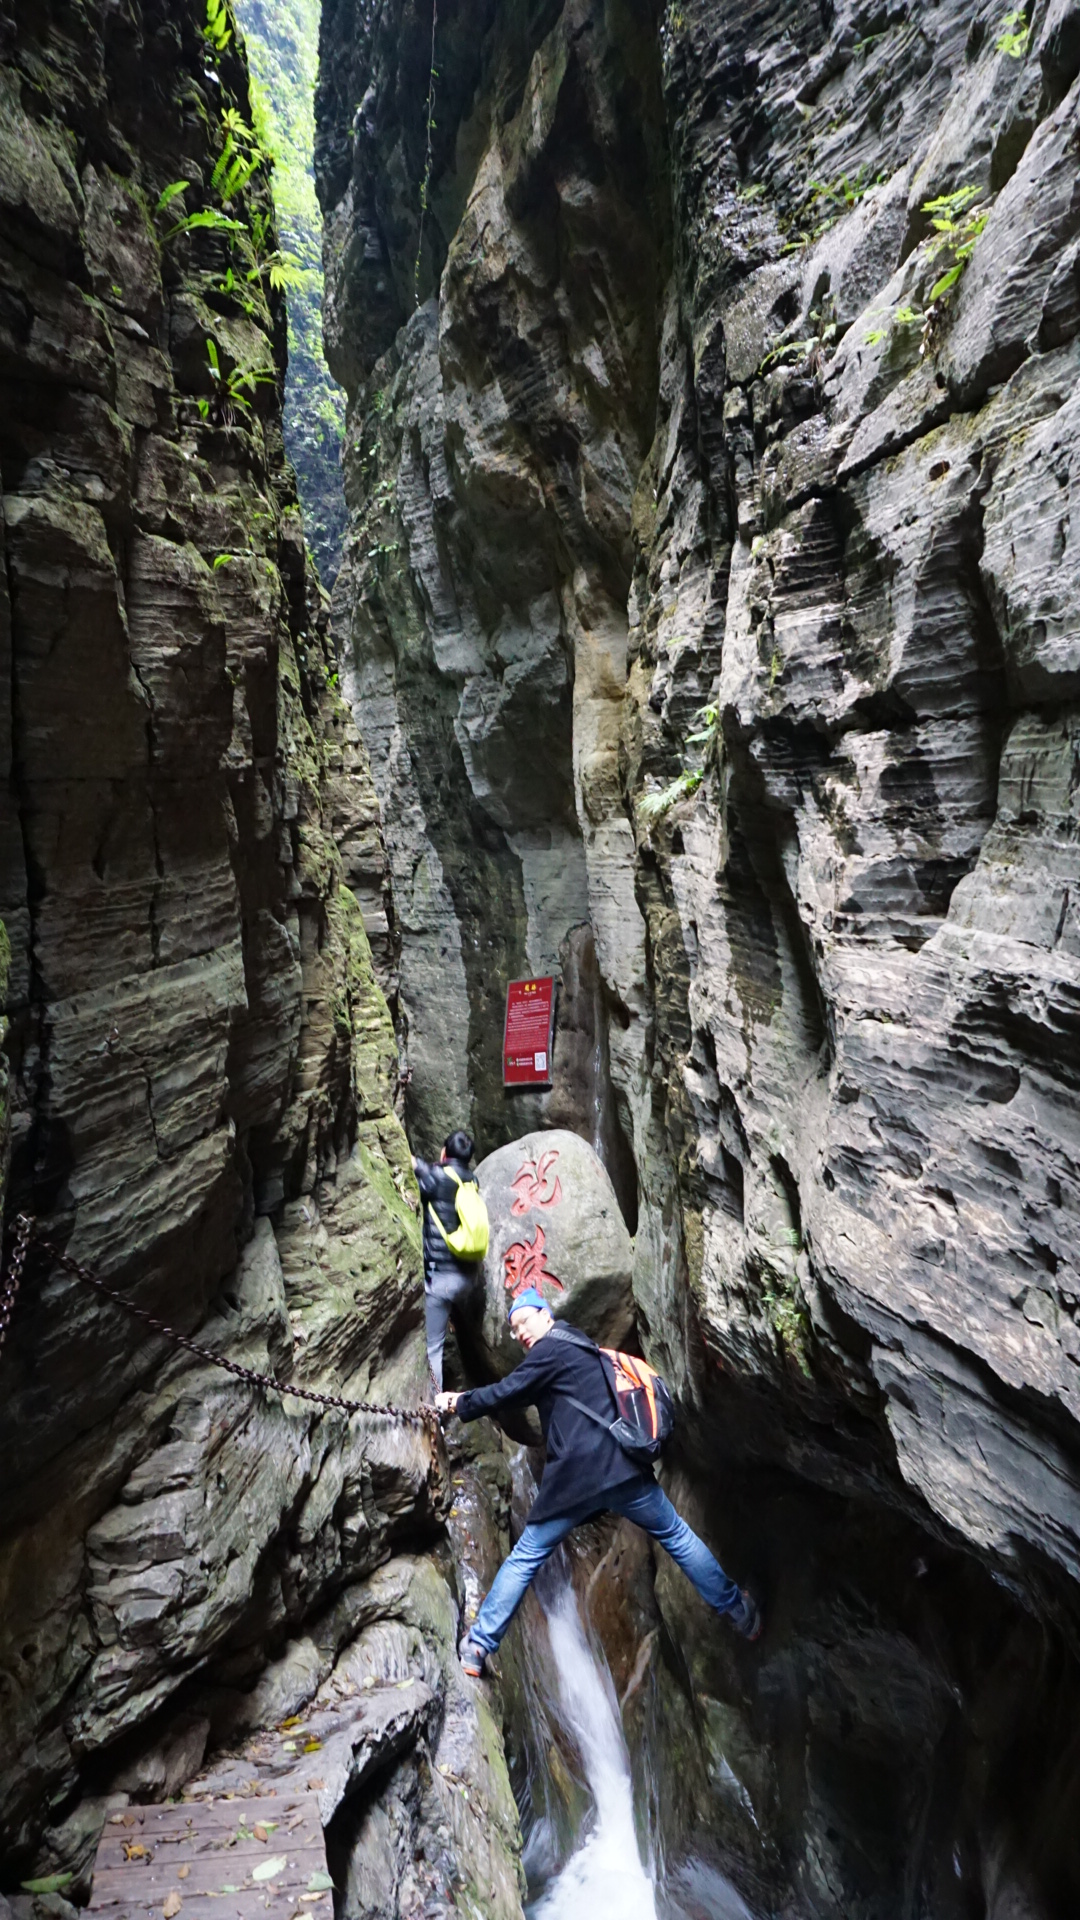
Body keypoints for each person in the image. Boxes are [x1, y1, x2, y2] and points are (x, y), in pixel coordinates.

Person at [436, 1288, 762, 1675]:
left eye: (524, 1321)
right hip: (622, 1471)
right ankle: (741, 1613)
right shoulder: (583, 1346)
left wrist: (458, 1402)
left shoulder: (549, 1350)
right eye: (513, 1329)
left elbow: (507, 1393)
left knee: (525, 1559)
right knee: (676, 1535)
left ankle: (478, 1646)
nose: (520, 1332)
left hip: (573, 1482)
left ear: (545, 1315)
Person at [413, 1129, 482, 1392]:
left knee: (433, 1347)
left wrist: (415, 1163)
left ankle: (436, 1409)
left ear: (444, 1153)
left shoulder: (438, 1178)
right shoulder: (471, 1181)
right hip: (468, 1278)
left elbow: (422, 1173)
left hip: (442, 1280)